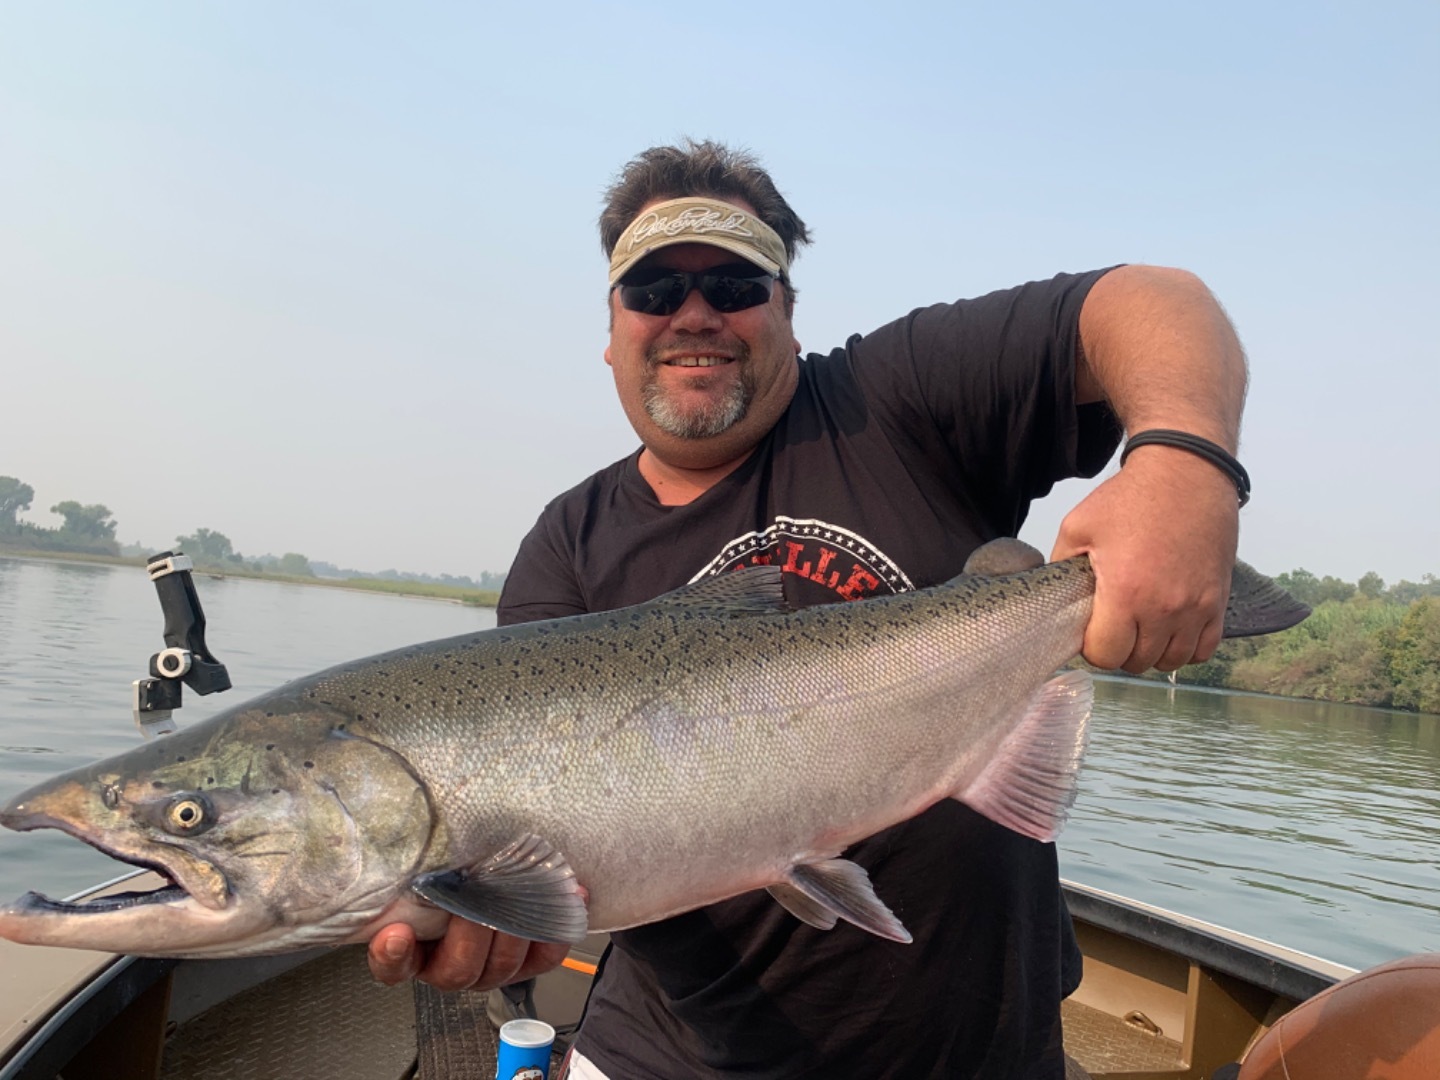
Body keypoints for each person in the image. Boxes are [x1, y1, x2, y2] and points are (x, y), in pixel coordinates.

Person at [369, 140, 1248, 1078]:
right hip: (666, 1059)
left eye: (735, 283)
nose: (694, 314)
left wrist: (1185, 465)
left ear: (787, 307)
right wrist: (509, 923)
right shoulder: (566, 544)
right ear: (614, 325)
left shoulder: (894, 399)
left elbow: (1156, 301)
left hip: (983, 1052)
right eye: (655, 290)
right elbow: (538, 844)